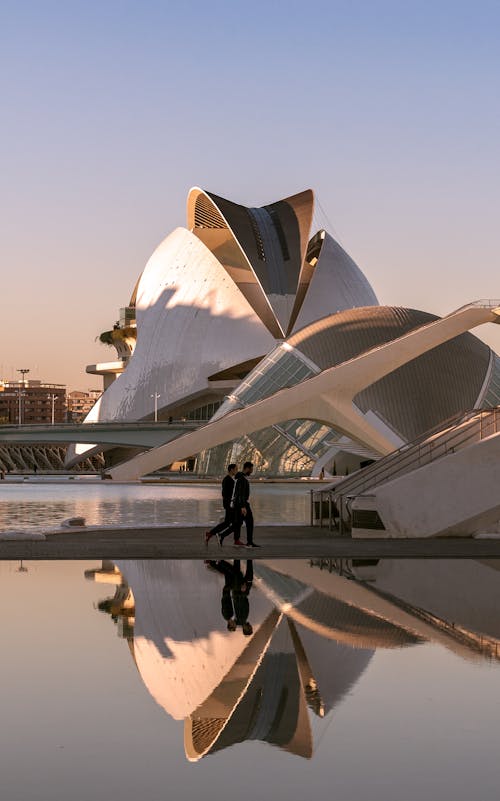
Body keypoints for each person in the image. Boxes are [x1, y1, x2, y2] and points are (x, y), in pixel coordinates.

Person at [205, 463, 238, 546]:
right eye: (236, 469)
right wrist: (231, 501)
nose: (236, 471)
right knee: (233, 523)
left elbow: (224, 493)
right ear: (231, 469)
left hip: (228, 503)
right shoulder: (229, 480)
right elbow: (226, 493)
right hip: (229, 504)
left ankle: (212, 534)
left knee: (228, 522)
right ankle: (217, 534)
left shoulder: (227, 479)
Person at [232, 461, 260, 548]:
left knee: (238, 523)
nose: (251, 471)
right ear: (247, 468)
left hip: (238, 503)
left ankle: (237, 540)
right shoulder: (242, 479)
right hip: (242, 504)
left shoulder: (240, 477)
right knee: (249, 522)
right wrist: (243, 506)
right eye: (251, 469)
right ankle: (249, 542)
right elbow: (241, 494)